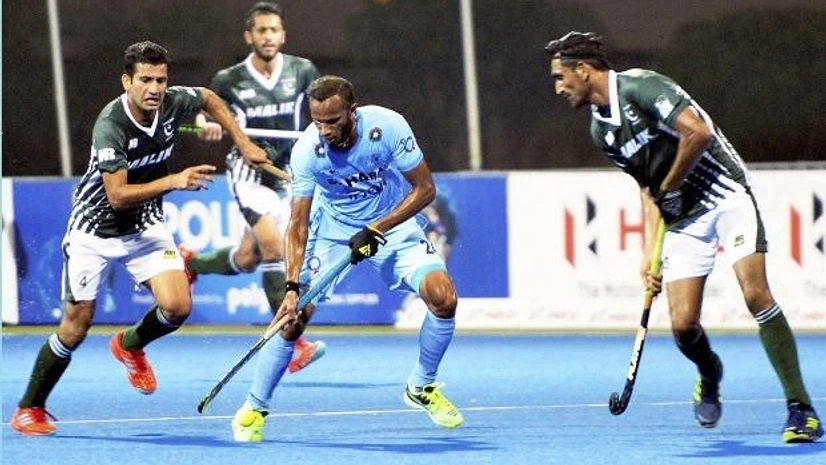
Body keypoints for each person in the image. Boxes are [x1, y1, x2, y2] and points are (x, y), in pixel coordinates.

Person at [545, 31, 822, 443]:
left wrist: (671, 186)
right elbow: (647, 188)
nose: (558, 87)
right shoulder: (601, 132)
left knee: (756, 294)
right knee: (683, 325)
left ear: (583, 70)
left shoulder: (642, 86)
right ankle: (710, 373)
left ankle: (801, 409)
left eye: (560, 76)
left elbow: (697, 133)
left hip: (727, 195)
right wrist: (647, 254)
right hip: (682, 219)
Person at [9, 40, 273, 436]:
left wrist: (243, 141)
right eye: (145, 80)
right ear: (127, 81)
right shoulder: (110, 125)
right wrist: (174, 180)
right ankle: (29, 408)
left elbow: (207, 97)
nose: (154, 88)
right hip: (95, 231)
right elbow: (116, 196)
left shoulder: (171, 103)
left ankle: (129, 345)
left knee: (178, 306)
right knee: (75, 326)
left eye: (161, 80)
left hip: (145, 225)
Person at [229, 75, 464, 442]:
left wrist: (378, 227)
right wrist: (291, 288)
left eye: (333, 121)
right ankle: (255, 406)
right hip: (332, 232)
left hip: (392, 223)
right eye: (317, 121)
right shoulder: (308, 151)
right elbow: (298, 224)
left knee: (443, 297)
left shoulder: (387, 126)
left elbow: (425, 189)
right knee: (293, 320)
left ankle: (422, 386)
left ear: (352, 112)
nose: (324, 130)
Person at [178, 1, 324, 374]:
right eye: (261, 30)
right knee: (276, 248)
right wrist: (204, 124)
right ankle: (291, 340)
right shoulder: (229, 80)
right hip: (249, 173)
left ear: (283, 34)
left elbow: (321, 110)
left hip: (290, 173)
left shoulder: (302, 70)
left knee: (248, 258)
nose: (268, 36)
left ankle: (191, 262)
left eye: (274, 30)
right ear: (250, 36)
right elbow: (203, 114)